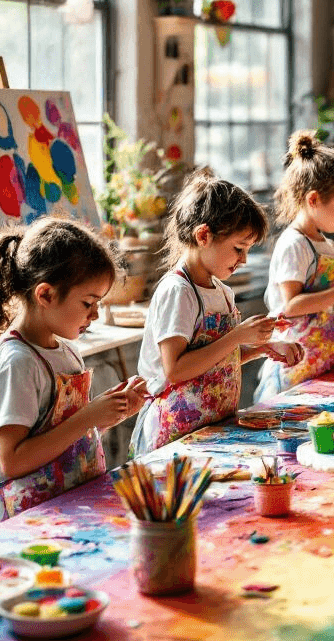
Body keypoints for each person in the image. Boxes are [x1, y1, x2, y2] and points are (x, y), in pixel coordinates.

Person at [0, 218, 147, 530]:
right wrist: (88, 417)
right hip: (26, 523)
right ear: (46, 295)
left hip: (65, 507)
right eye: (88, 303)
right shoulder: (18, 363)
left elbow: (62, 432)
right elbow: (14, 461)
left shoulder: (65, 350)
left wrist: (111, 409)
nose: (95, 314)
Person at [130, 170, 303, 454]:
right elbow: (176, 370)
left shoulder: (222, 292)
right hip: (174, 432)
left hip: (210, 427)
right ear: (203, 235)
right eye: (238, 248)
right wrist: (238, 336)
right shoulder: (178, 291)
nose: (244, 260)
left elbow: (218, 359)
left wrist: (262, 348)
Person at [255, 132, 334, 400]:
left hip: (326, 362)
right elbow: (292, 306)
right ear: (313, 200)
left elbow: (329, 300)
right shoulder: (295, 244)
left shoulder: (325, 244)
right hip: (297, 368)